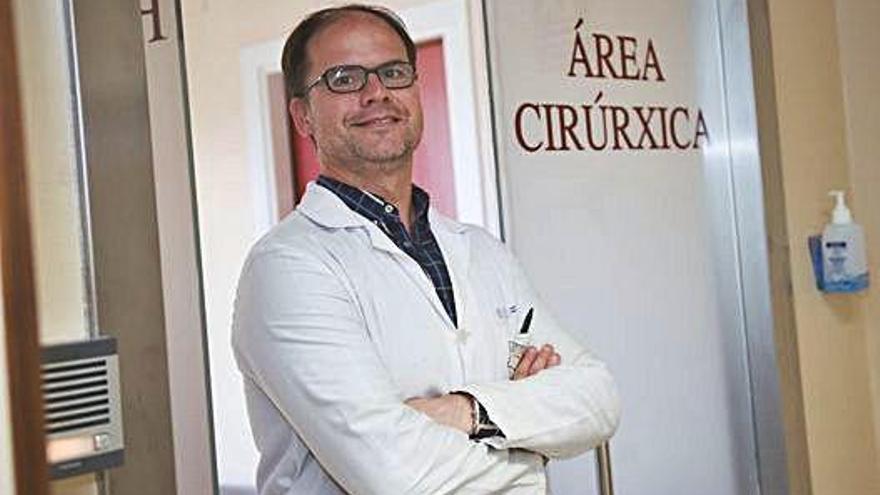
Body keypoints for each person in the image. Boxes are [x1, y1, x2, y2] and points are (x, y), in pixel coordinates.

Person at [232, 4, 620, 494]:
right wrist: (532, 449)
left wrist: (468, 412)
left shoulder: (480, 252)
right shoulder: (287, 270)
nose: (377, 93)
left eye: (393, 72)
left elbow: (599, 398)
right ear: (303, 115)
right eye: (344, 79)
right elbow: (396, 475)